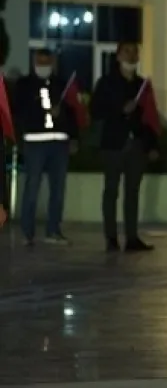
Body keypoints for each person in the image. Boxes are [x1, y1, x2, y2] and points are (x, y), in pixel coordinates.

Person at [89, 41, 157, 252]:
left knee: (133, 192)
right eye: (127, 52)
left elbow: (150, 118)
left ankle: (132, 237)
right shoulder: (107, 82)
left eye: (135, 53)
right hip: (113, 144)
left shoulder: (142, 85)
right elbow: (96, 110)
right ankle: (111, 238)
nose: (132, 56)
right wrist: (120, 109)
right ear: (118, 55)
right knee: (111, 191)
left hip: (136, 145)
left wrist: (152, 144)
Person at [12, 49, 78, 246]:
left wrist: (73, 136)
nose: (43, 66)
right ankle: (27, 231)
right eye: (39, 62)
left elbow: (73, 112)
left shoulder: (62, 84)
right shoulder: (24, 85)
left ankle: (53, 230)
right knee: (32, 187)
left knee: (58, 189)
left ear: (53, 63)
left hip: (59, 144)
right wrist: (42, 110)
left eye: (46, 62)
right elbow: (19, 112)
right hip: (35, 143)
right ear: (33, 62)